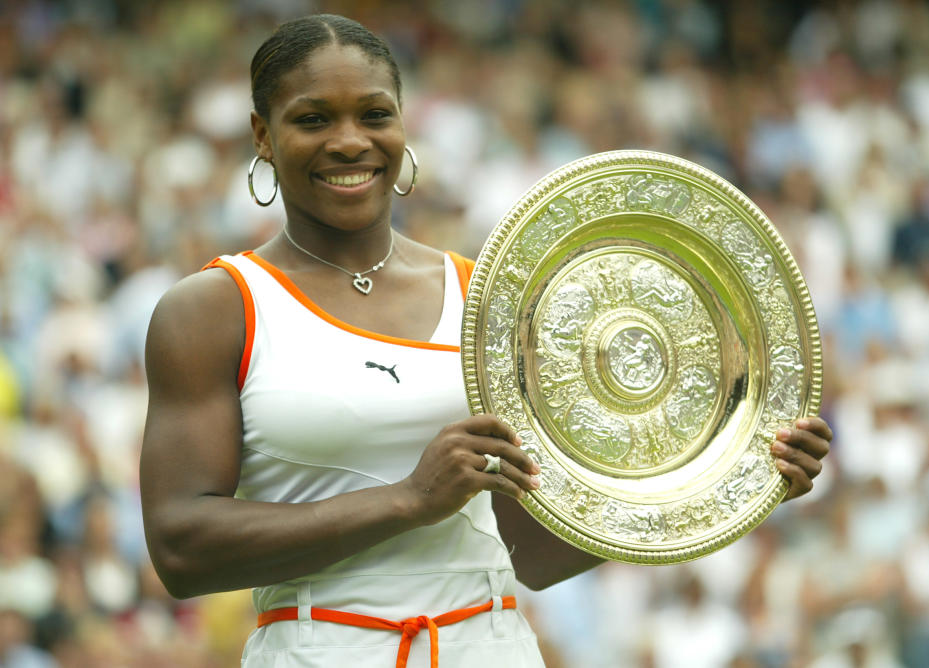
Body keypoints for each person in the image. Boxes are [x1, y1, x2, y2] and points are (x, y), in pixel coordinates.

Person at [139, 14, 833, 668]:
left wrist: (736, 481)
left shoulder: (488, 298)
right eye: (313, 119)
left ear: (404, 126)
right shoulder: (214, 309)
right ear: (263, 134)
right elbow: (180, 550)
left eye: (375, 115)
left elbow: (528, 548)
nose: (350, 140)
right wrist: (408, 499)